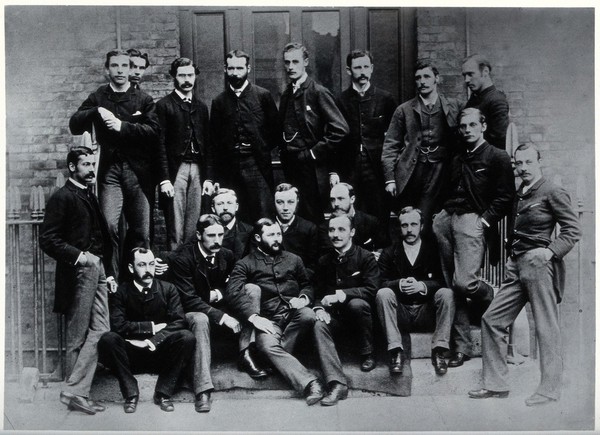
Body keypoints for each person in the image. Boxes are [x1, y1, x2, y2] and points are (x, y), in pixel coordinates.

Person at [469, 144, 581, 405]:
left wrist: (550, 252)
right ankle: (496, 385)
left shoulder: (552, 191)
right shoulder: (520, 193)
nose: (524, 168)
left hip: (539, 264)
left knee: (546, 326)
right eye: (519, 164)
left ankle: (550, 390)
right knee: (492, 319)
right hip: (516, 266)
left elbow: (572, 230)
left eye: (529, 162)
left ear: (539, 162)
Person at [226, 219, 347, 406]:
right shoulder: (245, 263)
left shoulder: (294, 259)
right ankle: (310, 383)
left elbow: (307, 285)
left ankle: (336, 383)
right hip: (268, 321)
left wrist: (304, 298)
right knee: (266, 345)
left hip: (295, 316)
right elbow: (232, 292)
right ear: (258, 238)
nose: (277, 239)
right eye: (271, 235)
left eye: (279, 234)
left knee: (309, 315)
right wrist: (255, 317)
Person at [432, 108, 515, 367]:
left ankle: (492, 295)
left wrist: (484, 221)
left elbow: (505, 197)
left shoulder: (496, 156)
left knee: (464, 284)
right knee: (451, 286)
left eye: (471, 125)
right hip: (447, 219)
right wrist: (439, 216)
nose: (466, 130)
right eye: (463, 126)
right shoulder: (458, 158)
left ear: (483, 126)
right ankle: (462, 346)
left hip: (472, 219)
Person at [69, 49, 160, 281]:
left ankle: (138, 281)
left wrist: (122, 126)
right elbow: (75, 125)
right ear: (107, 69)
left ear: (131, 70)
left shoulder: (144, 99)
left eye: (124, 66)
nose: (120, 70)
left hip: (138, 173)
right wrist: (95, 111)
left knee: (141, 230)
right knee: (109, 225)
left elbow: (154, 132)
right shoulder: (99, 96)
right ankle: (113, 279)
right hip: (109, 171)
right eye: (115, 66)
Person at [40, 147, 117, 415]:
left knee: (101, 329)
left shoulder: (89, 195)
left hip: (97, 269)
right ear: (72, 167)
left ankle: (74, 390)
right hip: (79, 272)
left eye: (92, 163)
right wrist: (81, 257)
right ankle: (77, 394)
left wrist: (106, 272)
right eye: (85, 164)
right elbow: (48, 240)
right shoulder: (62, 197)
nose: (91, 168)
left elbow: (100, 237)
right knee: (76, 336)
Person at [167, 214, 268, 413]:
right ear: (198, 235)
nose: (216, 240)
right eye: (211, 235)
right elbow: (188, 299)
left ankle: (245, 352)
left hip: (218, 307)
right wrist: (222, 316)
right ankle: (202, 389)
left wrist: (219, 294)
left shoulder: (226, 255)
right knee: (201, 317)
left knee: (252, 289)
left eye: (220, 235)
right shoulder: (183, 258)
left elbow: (233, 287)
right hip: (190, 313)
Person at [98, 248, 195, 413]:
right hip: (131, 355)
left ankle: (163, 393)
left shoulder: (168, 289)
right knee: (108, 339)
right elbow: (118, 325)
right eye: (142, 265)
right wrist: (150, 327)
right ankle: (131, 394)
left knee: (186, 337)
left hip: (159, 352)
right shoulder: (122, 291)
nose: (148, 270)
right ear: (131, 268)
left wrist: (153, 340)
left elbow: (179, 321)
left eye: (151, 264)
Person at [381, 61, 461, 234]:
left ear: (436, 79)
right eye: (418, 78)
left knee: (432, 219)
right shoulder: (403, 110)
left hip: (441, 172)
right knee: (411, 219)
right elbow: (390, 145)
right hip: (412, 172)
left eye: (427, 76)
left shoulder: (453, 106)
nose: (422, 81)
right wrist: (390, 179)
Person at [376, 207, 455, 376]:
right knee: (383, 293)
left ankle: (439, 350)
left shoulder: (433, 251)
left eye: (414, 224)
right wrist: (398, 284)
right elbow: (380, 282)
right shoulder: (390, 253)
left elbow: (443, 281)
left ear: (422, 226)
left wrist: (423, 286)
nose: (409, 229)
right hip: (400, 313)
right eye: (405, 225)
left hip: (426, 311)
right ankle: (395, 351)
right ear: (399, 228)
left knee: (447, 294)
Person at [279, 42, 349, 223]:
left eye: (295, 62)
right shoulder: (287, 94)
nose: (290, 67)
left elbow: (340, 129)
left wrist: (313, 152)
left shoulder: (318, 92)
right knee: (295, 217)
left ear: (306, 62)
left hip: (312, 170)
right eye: (287, 62)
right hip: (291, 167)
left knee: (312, 219)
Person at [210, 50, 279, 223]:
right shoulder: (219, 101)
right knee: (233, 217)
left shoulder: (263, 96)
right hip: (229, 168)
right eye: (231, 68)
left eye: (239, 68)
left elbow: (276, 132)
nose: (235, 73)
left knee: (262, 214)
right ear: (225, 69)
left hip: (256, 165)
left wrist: (260, 147)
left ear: (248, 68)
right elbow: (214, 140)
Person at [156, 57, 213, 250]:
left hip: (198, 169)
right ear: (174, 77)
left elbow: (209, 145)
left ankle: (190, 267)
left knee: (194, 224)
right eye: (182, 75)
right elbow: (160, 144)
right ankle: (175, 269)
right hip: (176, 170)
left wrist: (209, 178)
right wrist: (164, 178)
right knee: (175, 226)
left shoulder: (202, 107)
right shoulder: (164, 105)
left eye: (190, 75)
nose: (187, 79)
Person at [337, 50, 396, 226]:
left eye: (365, 67)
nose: (362, 72)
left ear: (371, 69)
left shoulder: (385, 99)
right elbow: (335, 138)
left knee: (379, 211)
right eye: (357, 67)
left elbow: (395, 137)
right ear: (349, 71)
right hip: (350, 167)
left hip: (376, 167)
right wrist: (334, 171)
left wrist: (390, 173)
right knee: (350, 214)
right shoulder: (341, 100)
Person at [314, 214, 380, 372]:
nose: (335, 235)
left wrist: (342, 294)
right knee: (318, 324)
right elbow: (317, 292)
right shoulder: (324, 261)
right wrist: (319, 308)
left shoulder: (365, 257)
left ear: (352, 232)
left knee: (357, 304)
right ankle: (332, 374)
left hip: (360, 320)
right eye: (331, 230)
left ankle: (367, 353)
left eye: (341, 230)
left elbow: (372, 289)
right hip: (334, 318)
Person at [318, 183, 387, 255]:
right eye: (332, 200)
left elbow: (383, 248)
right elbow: (329, 254)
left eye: (340, 198)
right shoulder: (325, 227)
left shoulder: (370, 221)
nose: (336, 203)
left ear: (352, 199)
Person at [462, 54, 509, 150]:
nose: (466, 80)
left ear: (485, 72)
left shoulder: (496, 100)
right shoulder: (475, 97)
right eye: (464, 75)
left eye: (470, 74)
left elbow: (499, 141)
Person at [274, 183, 319, 277]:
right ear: (274, 202)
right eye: (280, 202)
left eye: (290, 202)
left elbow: (313, 265)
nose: (285, 208)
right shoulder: (265, 227)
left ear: (297, 201)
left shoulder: (309, 228)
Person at [211, 188, 252, 260]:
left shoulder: (250, 231)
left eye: (229, 203)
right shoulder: (205, 231)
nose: (225, 208)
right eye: (220, 204)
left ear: (236, 207)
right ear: (213, 208)